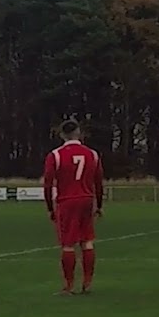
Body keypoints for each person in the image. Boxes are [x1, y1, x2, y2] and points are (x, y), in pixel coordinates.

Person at [42, 119, 105, 295]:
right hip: (86, 199)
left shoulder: (55, 155)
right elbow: (99, 182)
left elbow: (47, 184)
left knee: (68, 244)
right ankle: (87, 282)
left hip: (67, 201)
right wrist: (98, 205)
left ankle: (69, 286)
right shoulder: (92, 154)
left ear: (62, 134)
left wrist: (50, 208)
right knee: (87, 241)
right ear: (79, 133)